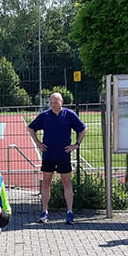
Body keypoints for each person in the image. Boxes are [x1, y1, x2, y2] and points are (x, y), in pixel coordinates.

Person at [27, 92, 87, 224]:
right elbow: (31, 128)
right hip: (48, 154)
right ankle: (44, 212)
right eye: (51, 102)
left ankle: (70, 212)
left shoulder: (69, 114)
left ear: (62, 102)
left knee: (67, 182)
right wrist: (37, 143)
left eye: (56, 102)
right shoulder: (45, 115)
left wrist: (76, 144)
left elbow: (83, 129)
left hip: (63, 155)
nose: (53, 105)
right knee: (46, 182)